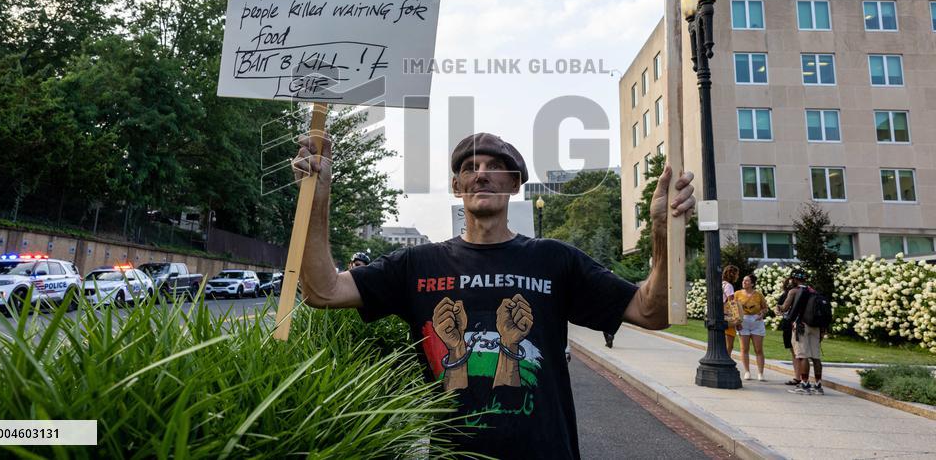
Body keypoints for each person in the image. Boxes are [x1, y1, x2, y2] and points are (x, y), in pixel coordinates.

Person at [293, 132, 696, 459]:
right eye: (470, 168)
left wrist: (661, 235)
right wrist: (318, 196)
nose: (481, 175)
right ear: (457, 186)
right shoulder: (418, 265)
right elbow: (323, 291)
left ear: (514, 184)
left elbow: (650, 312)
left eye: (494, 167)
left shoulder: (554, 260)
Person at [780, 271, 824, 395]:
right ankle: (818, 385)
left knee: (802, 355)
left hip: (801, 326)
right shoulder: (813, 291)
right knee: (816, 357)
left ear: (794, 280)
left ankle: (804, 385)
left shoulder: (794, 291)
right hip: (815, 326)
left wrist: (778, 308)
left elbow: (784, 308)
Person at [735, 274, 769, 381]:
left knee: (758, 349)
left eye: (747, 281)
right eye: (743, 280)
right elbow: (733, 308)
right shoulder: (737, 294)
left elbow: (765, 308)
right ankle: (747, 372)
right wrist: (737, 321)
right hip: (743, 321)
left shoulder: (758, 295)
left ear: (752, 283)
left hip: (756, 322)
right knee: (744, 348)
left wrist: (762, 314)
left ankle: (760, 373)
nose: (744, 282)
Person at [774, 277, 801, 385]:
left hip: (792, 324)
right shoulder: (801, 292)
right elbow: (778, 308)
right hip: (793, 324)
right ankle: (799, 377)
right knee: (796, 352)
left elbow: (780, 308)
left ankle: (799, 377)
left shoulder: (789, 293)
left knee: (796, 352)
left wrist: (780, 310)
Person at [722, 265, 740, 355]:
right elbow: (731, 302)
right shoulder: (729, 286)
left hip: (719, 316)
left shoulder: (721, 284)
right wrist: (737, 319)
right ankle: (726, 361)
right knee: (729, 345)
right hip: (727, 318)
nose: (738, 276)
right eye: (737, 274)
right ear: (732, 274)